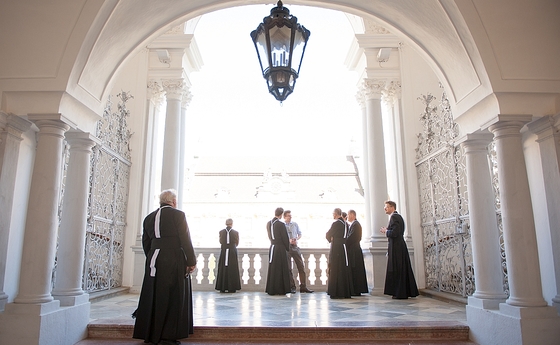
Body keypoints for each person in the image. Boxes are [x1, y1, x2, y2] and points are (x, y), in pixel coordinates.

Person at [133, 189, 197, 345]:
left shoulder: (149, 218)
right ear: (173, 201)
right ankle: (168, 335)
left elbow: (146, 243)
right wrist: (191, 260)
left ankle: (150, 332)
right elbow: (185, 238)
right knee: (173, 295)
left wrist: (153, 258)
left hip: (154, 260)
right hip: (173, 259)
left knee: (154, 295)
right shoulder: (178, 215)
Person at [380, 200, 419, 299]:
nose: (385, 208)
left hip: (396, 247)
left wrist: (386, 231)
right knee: (401, 268)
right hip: (398, 245)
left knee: (398, 268)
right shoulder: (397, 217)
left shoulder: (394, 217)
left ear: (392, 207)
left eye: (387, 207)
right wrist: (388, 230)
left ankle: (400, 292)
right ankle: (401, 291)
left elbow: (395, 232)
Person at [325, 208, 354, 299]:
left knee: (335, 268)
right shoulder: (346, 224)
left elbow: (328, 234)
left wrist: (331, 238)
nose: (333, 215)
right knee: (343, 268)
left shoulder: (336, 223)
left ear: (336, 214)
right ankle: (344, 291)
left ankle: (336, 292)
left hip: (336, 247)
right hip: (343, 247)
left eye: (333, 214)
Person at [283, 210, 314, 293]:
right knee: (289, 268)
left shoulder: (295, 224)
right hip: (287, 248)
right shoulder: (283, 225)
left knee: (301, 267)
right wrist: (288, 240)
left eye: (290, 215)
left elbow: (300, 234)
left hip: (295, 247)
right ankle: (292, 287)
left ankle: (303, 286)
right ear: (285, 217)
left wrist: (296, 239)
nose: (290, 217)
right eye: (288, 215)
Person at [265, 207, 292, 295]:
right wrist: (287, 248)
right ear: (281, 215)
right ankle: (280, 289)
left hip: (272, 247)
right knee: (281, 269)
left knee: (273, 268)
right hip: (280, 248)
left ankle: (272, 289)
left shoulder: (269, 223)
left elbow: (270, 236)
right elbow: (285, 237)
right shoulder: (280, 224)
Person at [215, 218, 241, 293]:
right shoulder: (235, 232)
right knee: (232, 269)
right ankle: (231, 287)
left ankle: (222, 287)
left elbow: (220, 241)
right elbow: (237, 243)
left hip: (224, 251)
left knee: (223, 269)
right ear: (232, 224)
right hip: (232, 252)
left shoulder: (221, 232)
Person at [346, 209, 369, 295]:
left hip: (354, 250)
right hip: (354, 249)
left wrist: (344, 242)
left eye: (348, 215)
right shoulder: (354, 224)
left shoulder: (356, 225)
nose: (347, 216)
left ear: (353, 215)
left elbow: (352, 237)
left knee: (355, 269)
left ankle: (356, 290)